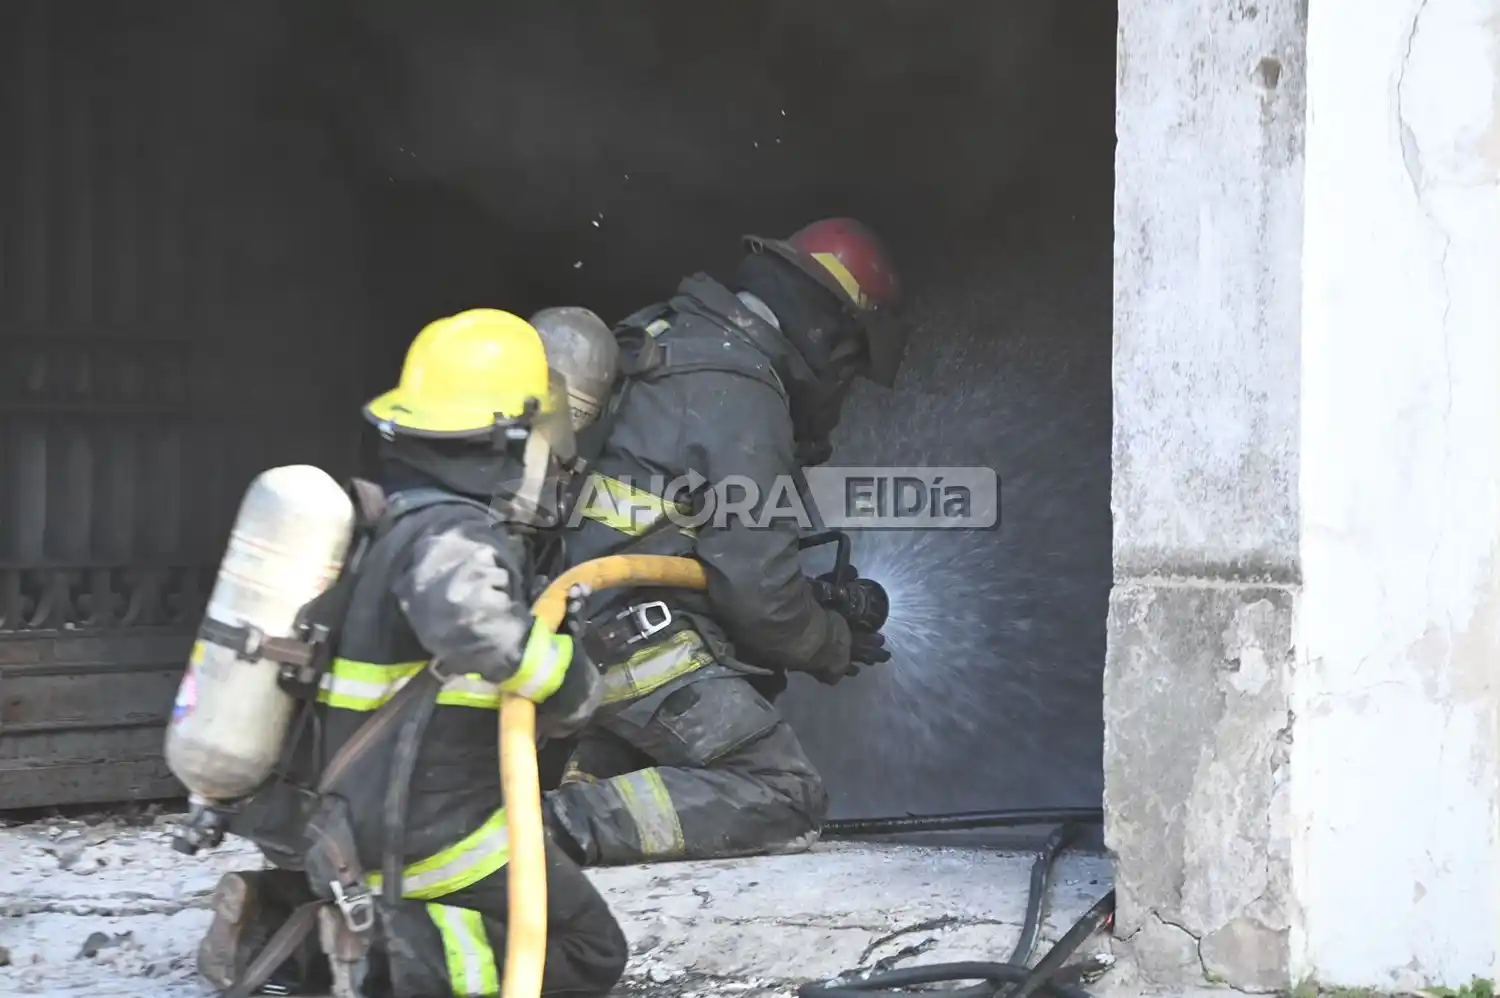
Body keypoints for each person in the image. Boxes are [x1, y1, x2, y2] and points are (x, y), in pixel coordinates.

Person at [195, 309, 627, 998]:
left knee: (529, 924)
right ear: (509, 432)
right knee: (587, 949)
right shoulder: (452, 534)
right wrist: (568, 678)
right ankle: (369, 963)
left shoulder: (391, 522)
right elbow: (474, 626)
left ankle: (273, 920)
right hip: (426, 829)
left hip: (353, 812)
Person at [540, 218, 909, 868]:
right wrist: (827, 641)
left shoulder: (670, 338)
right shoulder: (741, 387)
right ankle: (550, 832)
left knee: (737, 678)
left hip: (576, 627)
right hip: (631, 642)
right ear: (828, 337)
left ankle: (589, 780)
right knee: (784, 792)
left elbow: (702, 548)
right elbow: (760, 594)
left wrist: (816, 604)